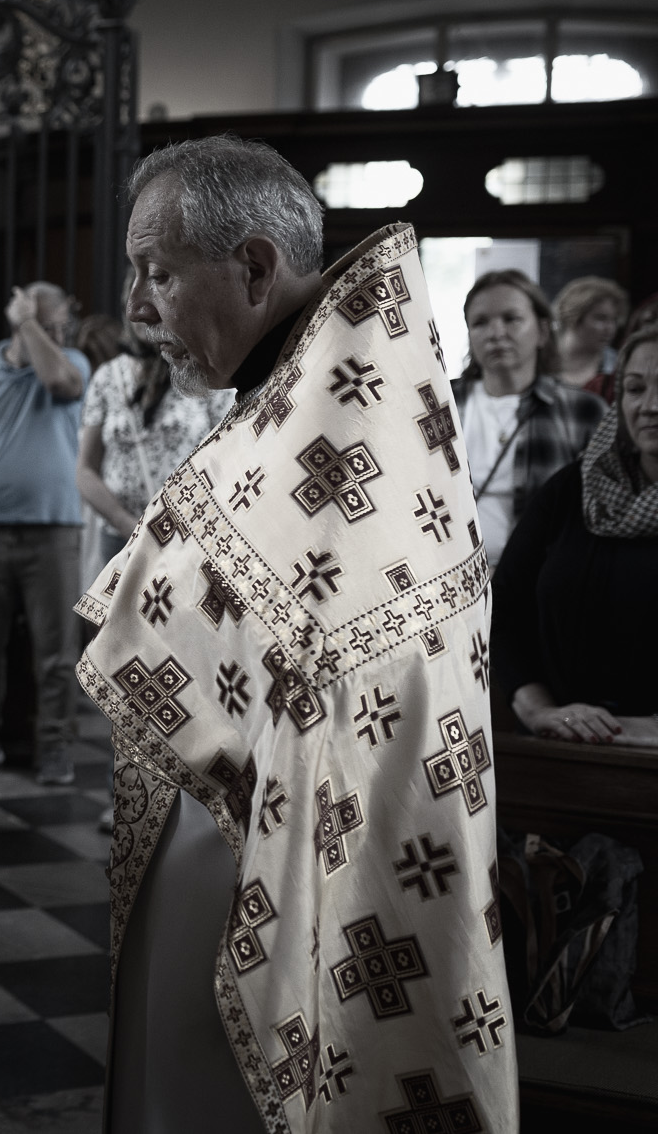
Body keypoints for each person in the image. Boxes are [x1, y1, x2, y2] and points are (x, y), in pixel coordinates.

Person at [85, 134, 514, 1133]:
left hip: (289, 844)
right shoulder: (310, 393)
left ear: (252, 267)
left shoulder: (343, 418)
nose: (137, 307)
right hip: (232, 810)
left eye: (156, 272)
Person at [0, 281, 91, 785]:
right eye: (49, 328)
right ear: (18, 327)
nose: (59, 337)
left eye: (61, 328)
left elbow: (60, 383)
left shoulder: (72, 365)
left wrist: (30, 324)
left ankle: (55, 747)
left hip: (54, 531)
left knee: (56, 652)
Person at [494, 323, 658, 743]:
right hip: (565, 751)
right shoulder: (574, 488)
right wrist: (541, 711)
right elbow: (504, 608)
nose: (650, 406)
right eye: (635, 389)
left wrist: (648, 730)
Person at [453, 269, 604, 569]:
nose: (496, 333)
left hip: (540, 578)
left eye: (511, 319)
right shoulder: (441, 403)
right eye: (480, 322)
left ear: (543, 331)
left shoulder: (583, 410)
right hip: (452, 577)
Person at [77, 320, 233, 582]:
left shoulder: (203, 371)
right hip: (121, 538)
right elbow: (84, 470)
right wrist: (127, 524)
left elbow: (229, 451)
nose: (142, 311)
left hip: (189, 536)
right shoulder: (108, 377)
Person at [553, 274, 629, 401]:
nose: (610, 328)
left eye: (614, 320)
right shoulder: (539, 358)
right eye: (601, 318)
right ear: (573, 316)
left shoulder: (618, 367)